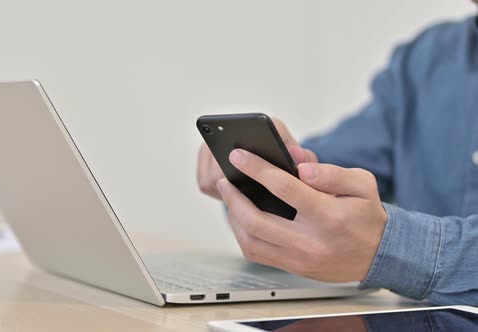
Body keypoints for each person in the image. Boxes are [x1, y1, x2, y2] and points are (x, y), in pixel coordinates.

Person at [197, 12, 478, 306]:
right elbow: (329, 169)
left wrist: (389, 247)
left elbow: (375, 240)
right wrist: (261, 174)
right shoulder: (427, 57)